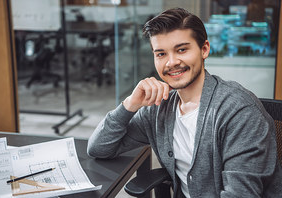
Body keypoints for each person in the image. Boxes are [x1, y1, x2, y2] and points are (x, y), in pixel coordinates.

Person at [87, 7, 282, 198]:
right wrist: (129, 104)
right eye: (161, 54)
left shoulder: (238, 111)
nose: (171, 62)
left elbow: (241, 194)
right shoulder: (159, 107)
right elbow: (99, 148)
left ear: (204, 49)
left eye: (181, 50)